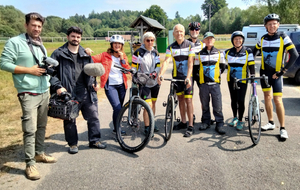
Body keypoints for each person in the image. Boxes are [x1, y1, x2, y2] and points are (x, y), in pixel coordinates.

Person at [0, 12, 56, 180]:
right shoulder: (15, 42)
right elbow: (3, 63)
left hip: (43, 91)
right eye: (33, 25)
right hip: (28, 92)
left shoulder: (39, 43)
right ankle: (30, 163)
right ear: (26, 25)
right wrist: (29, 70)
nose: (36, 28)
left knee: (41, 126)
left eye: (39, 26)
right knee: (29, 129)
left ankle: (39, 153)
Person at [50, 26, 106, 154]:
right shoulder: (58, 53)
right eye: (73, 36)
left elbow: (92, 72)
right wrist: (58, 87)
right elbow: (51, 74)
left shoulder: (85, 54)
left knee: (93, 117)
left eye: (78, 37)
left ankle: (95, 140)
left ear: (81, 38)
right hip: (68, 93)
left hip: (86, 92)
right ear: (68, 37)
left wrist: (95, 83)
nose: (76, 39)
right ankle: (73, 144)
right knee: (70, 120)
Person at [253, 13, 299, 139]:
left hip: (277, 74)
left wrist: (283, 71)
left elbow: (294, 55)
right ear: (266, 26)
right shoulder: (262, 39)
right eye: (269, 24)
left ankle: (283, 128)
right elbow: (254, 51)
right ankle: (271, 122)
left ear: (278, 25)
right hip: (264, 73)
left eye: (274, 23)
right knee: (267, 97)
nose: (272, 26)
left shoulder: (283, 37)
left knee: (277, 100)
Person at [85, 35, 131, 135]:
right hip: (110, 86)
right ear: (112, 44)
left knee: (119, 108)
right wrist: (86, 51)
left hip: (122, 85)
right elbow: (91, 59)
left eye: (119, 44)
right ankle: (117, 129)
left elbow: (127, 69)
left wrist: (122, 59)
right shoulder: (105, 55)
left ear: (122, 45)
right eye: (115, 43)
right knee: (117, 108)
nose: (117, 45)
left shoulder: (123, 56)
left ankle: (115, 128)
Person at [158, 24, 195, 137]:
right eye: (176, 31)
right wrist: (161, 74)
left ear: (184, 33)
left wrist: (188, 77)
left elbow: (190, 62)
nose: (179, 33)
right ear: (173, 34)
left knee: (188, 101)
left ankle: (190, 126)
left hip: (187, 77)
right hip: (176, 78)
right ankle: (183, 122)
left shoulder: (190, 45)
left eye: (181, 31)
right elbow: (167, 61)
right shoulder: (170, 47)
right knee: (181, 99)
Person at [196, 32, 227, 135]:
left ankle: (219, 123)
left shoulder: (219, 53)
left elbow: (223, 66)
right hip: (203, 84)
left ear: (214, 40)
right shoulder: (199, 54)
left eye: (211, 38)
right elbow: (196, 68)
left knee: (217, 105)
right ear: (203, 41)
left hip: (215, 84)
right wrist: (200, 81)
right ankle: (206, 121)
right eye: (207, 39)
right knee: (204, 105)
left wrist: (217, 75)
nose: (209, 40)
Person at [224, 31, 255, 130]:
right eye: (235, 39)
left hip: (243, 80)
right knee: (233, 100)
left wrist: (252, 77)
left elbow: (251, 65)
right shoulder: (228, 52)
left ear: (242, 40)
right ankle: (235, 118)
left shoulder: (248, 51)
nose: (238, 41)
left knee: (241, 100)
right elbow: (219, 61)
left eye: (239, 39)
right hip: (231, 80)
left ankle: (241, 120)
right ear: (232, 41)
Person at [132, 32, 161, 133]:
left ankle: (152, 123)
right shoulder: (138, 52)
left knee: (153, 103)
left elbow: (158, 65)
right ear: (144, 41)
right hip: (144, 83)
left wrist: (155, 73)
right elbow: (134, 68)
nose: (150, 42)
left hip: (154, 82)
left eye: (152, 40)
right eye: (147, 40)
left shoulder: (155, 52)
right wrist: (136, 78)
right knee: (147, 105)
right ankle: (147, 127)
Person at [187, 21, 206, 124]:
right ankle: (191, 116)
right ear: (189, 31)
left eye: (196, 29)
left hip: (200, 71)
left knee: (203, 95)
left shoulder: (203, 44)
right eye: (192, 29)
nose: (194, 31)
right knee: (189, 96)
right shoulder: (186, 43)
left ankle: (205, 116)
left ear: (199, 31)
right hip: (189, 71)